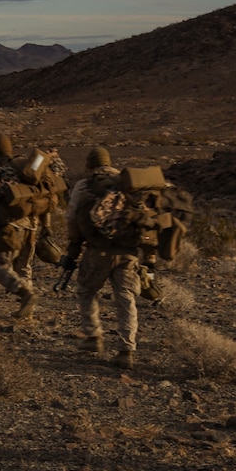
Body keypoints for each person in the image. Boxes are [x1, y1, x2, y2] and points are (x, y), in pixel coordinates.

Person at [64, 147, 140, 369]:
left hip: (98, 250)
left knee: (86, 291)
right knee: (125, 297)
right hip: (128, 251)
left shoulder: (85, 185)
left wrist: (73, 249)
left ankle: (93, 337)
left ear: (90, 165)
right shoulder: (128, 182)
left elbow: (72, 218)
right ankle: (126, 350)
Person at [0, 134, 40, 319]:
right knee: (24, 266)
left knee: (1, 268)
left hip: (11, 227)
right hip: (32, 225)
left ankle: (25, 293)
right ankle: (27, 311)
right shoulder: (24, 168)